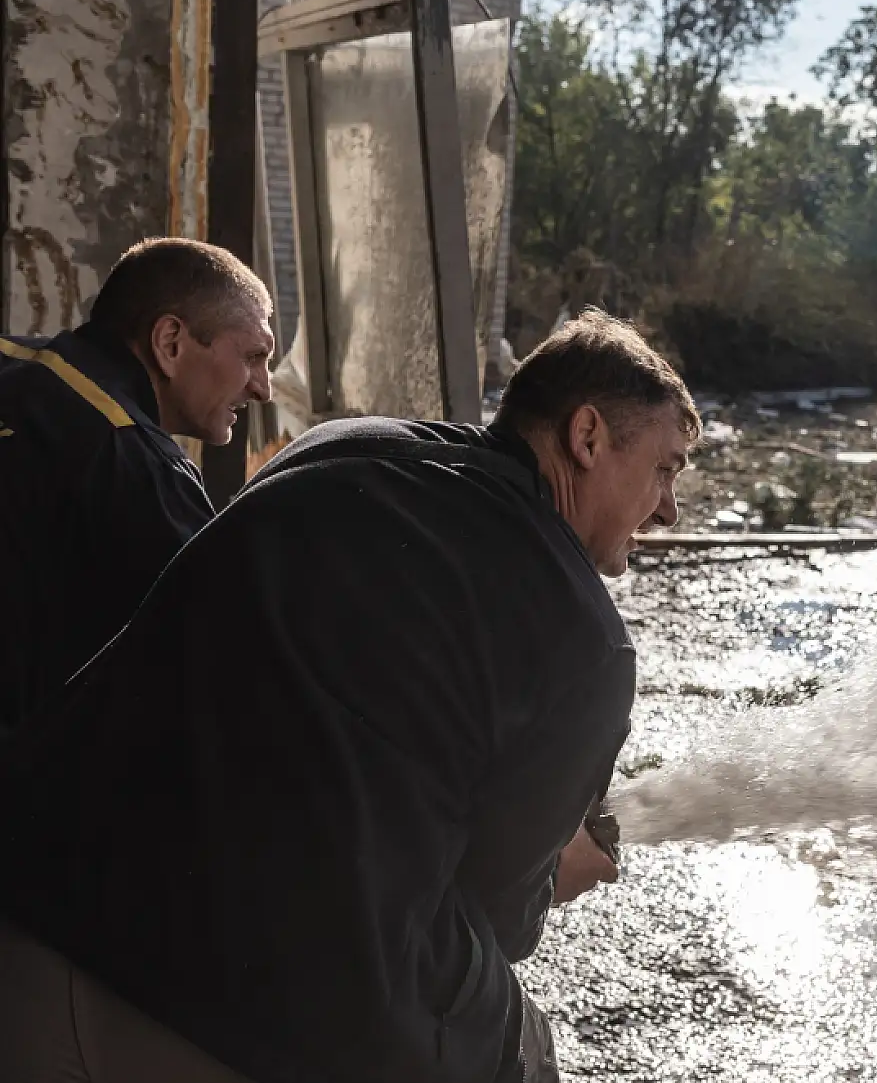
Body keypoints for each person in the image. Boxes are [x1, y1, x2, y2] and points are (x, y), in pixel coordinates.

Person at [0, 308, 697, 1083]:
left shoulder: (342, 445)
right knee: (519, 1046)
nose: (668, 509)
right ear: (589, 436)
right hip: (221, 1013)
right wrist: (558, 871)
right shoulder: (586, 642)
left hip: (32, 907)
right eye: (666, 469)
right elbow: (497, 917)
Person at [0, 237, 275, 734]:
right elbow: (235, 665)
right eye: (253, 355)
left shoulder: (13, 361)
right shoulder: (135, 466)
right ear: (170, 342)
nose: (263, 386)